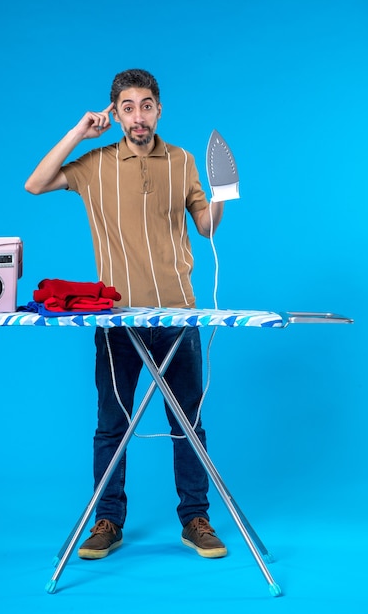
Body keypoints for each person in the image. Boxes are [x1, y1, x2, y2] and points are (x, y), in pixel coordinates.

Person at [25, 68, 227, 560]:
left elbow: (206, 227)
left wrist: (223, 194)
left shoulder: (181, 162)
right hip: (117, 319)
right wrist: (79, 131)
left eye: (147, 104)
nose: (139, 115)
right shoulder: (95, 163)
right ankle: (107, 520)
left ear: (160, 109)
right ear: (115, 113)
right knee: (112, 425)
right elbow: (36, 184)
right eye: (128, 106)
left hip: (178, 315)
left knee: (188, 423)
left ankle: (195, 518)